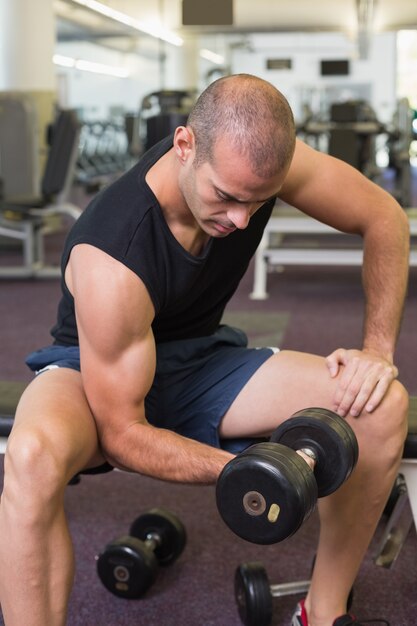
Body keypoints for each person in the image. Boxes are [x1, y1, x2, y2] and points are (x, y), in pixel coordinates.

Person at [0, 73, 410, 626]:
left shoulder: (260, 167)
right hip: (91, 372)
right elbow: (122, 436)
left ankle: (323, 610)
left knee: (381, 407)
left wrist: (377, 350)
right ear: (184, 145)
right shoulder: (113, 255)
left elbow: (383, 216)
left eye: (258, 201)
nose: (241, 219)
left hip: (200, 359)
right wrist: (249, 468)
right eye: (227, 196)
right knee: (30, 457)